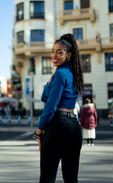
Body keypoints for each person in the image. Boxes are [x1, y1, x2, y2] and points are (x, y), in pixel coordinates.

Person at [33, 33, 84, 183]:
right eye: (53, 51)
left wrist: (38, 132)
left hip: (57, 126)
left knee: (47, 178)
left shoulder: (60, 74)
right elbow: (45, 96)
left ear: (68, 55)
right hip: (74, 127)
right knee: (71, 178)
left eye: (59, 52)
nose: (54, 55)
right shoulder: (73, 73)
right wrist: (54, 74)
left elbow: (49, 107)